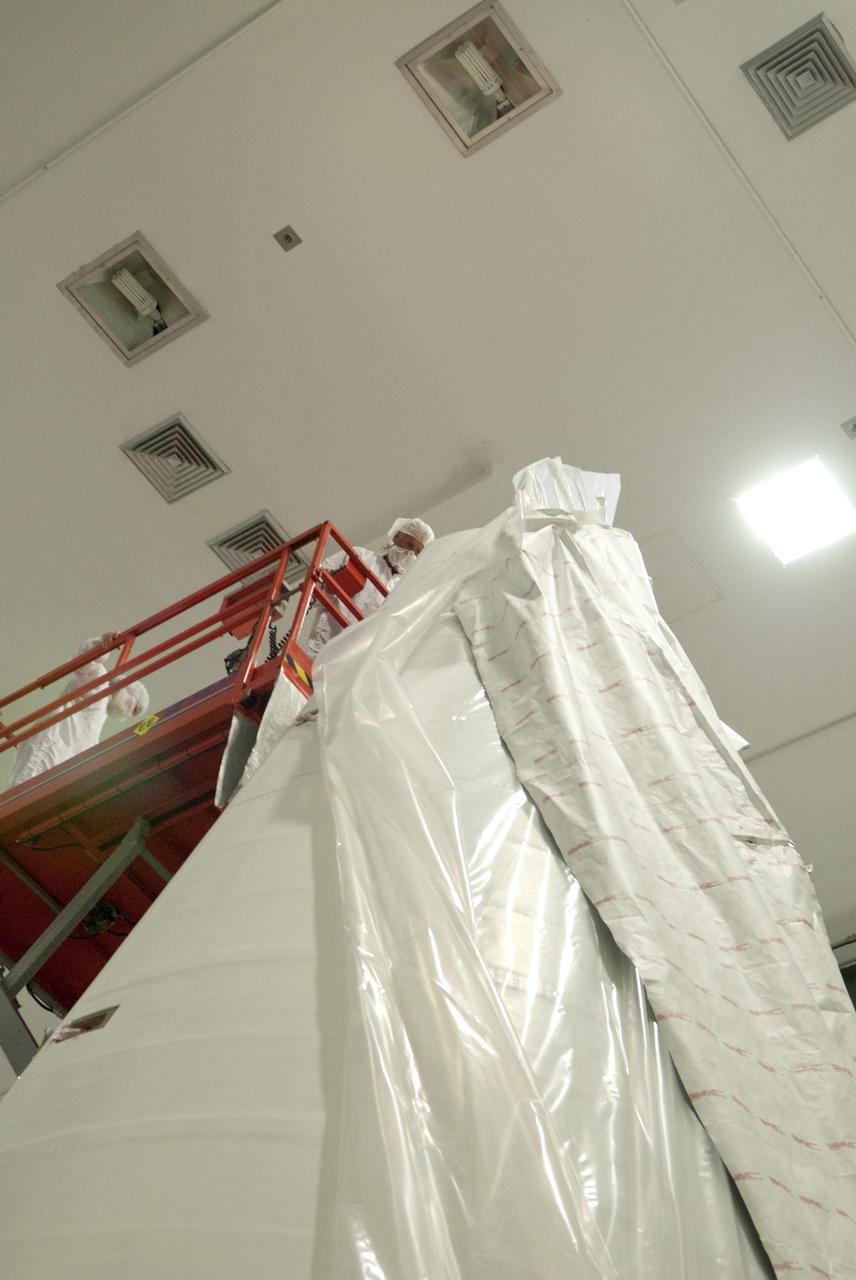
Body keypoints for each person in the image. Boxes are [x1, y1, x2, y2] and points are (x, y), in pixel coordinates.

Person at [9, 634, 149, 788]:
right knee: (20, 793)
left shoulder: (100, 715)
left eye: (132, 713)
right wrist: (101, 646)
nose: (128, 713)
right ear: (125, 687)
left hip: (52, 766)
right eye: (131, 705)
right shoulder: (99, 687)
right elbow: (85, 663)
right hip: (44, 756)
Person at [305, 517, 434, 657]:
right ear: (397, 537)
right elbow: (317, 579)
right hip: (324, 643)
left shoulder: (402, 590)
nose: (411, 554)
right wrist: (329, 585)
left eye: (417, 552)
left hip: (353, 659)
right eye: (409, 545)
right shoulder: (361, 556)